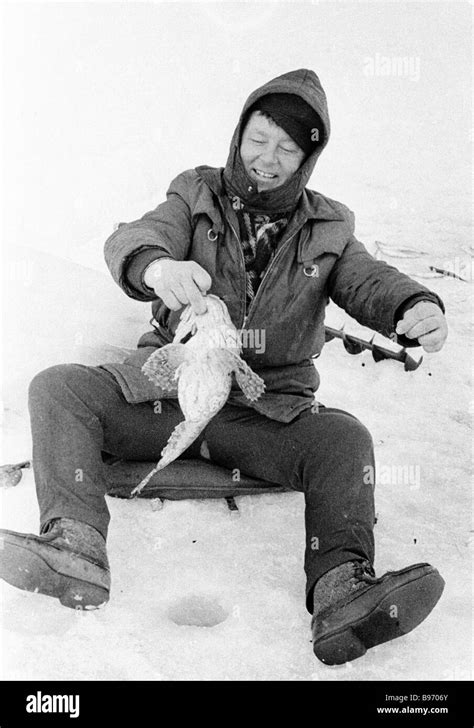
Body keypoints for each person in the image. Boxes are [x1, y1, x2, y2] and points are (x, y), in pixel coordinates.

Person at [0, 69, 448, 665]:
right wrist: (155, 267)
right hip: (170, 398)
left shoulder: (331, 225)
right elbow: (138, 236)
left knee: (344, 438)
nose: (269, 158)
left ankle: (343, 593)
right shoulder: (195, 192)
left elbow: (367, 281)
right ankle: (75, 550)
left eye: (289, 148)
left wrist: (413, 306)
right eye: (259, 138)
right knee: (58, 390)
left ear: (309, 156)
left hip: (264, 411)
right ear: (239, 133)